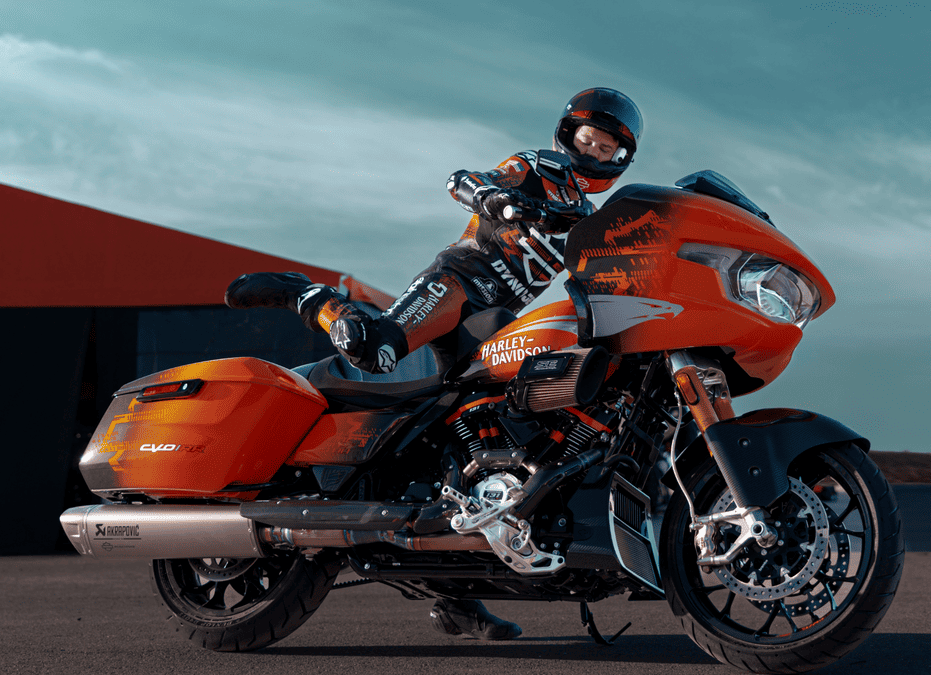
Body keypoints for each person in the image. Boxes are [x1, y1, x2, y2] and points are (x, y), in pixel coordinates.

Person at [226, 87, 643, 640]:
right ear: (569, 135)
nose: (593, 150)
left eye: (606, 146)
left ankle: (457, 592)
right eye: (588, 138)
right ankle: (304, 293)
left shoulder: (590, 217)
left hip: (497, 316)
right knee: (373, 347)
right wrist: (492, 197)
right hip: (460, 283)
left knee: (473, 430)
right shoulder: (536, 167)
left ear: (619, 158)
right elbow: (463, 180)